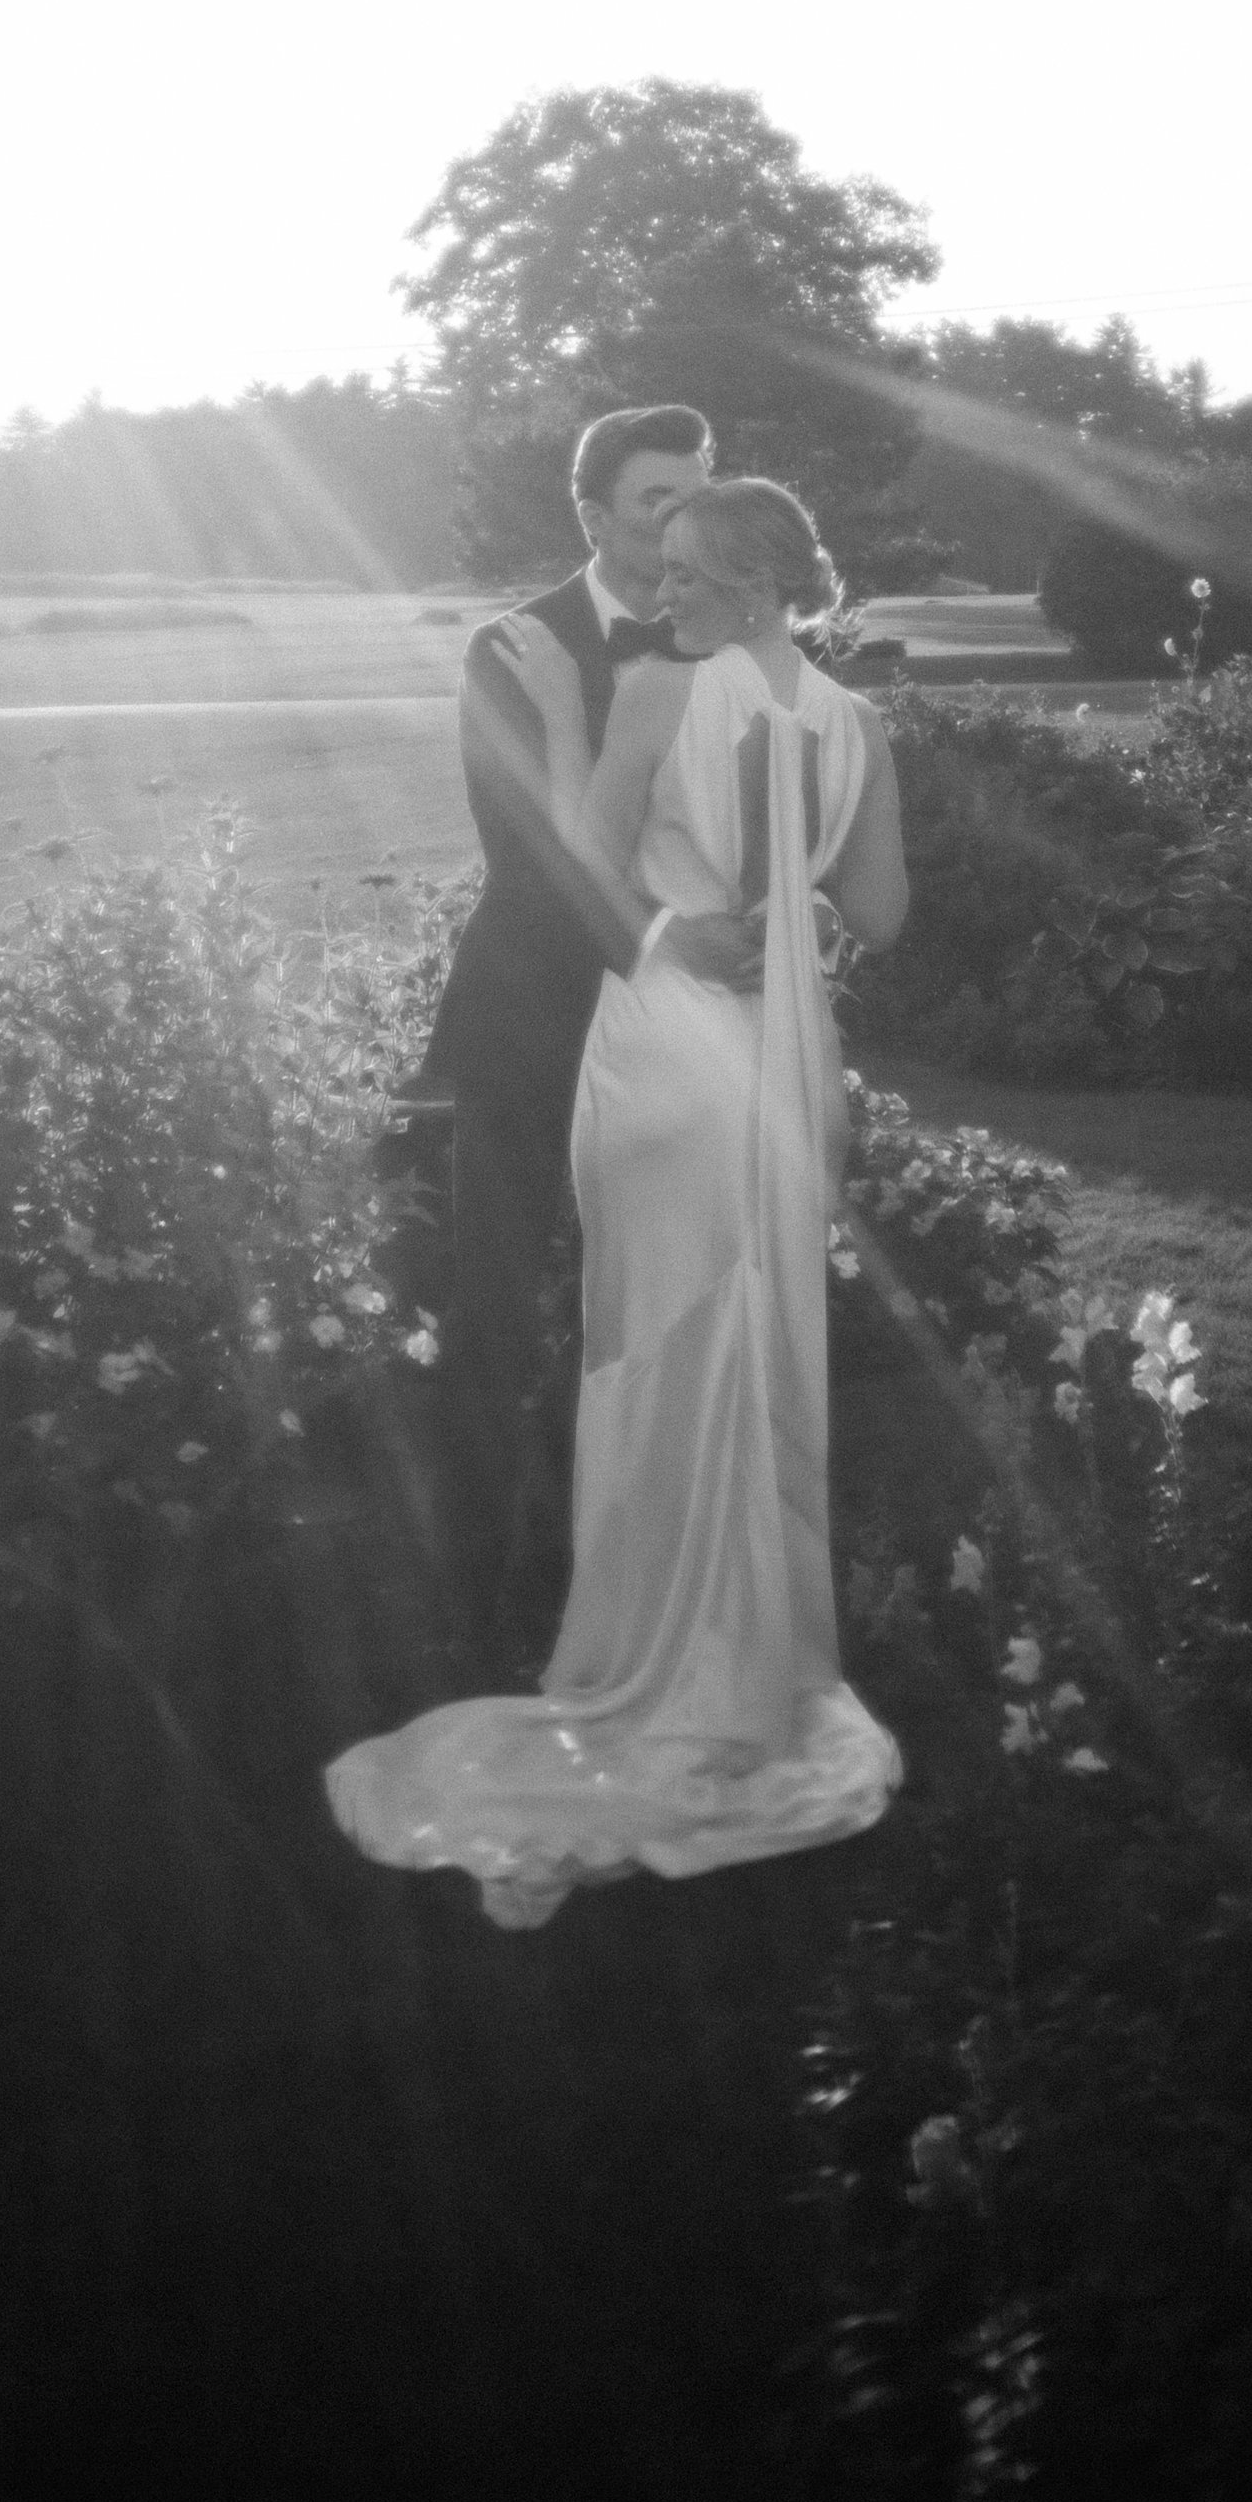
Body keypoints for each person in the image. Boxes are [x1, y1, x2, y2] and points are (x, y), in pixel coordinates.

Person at [326, 474, 911, 1928]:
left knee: (650, 1354)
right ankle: (754, 1668)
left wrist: (583, 727)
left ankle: (656, 1661)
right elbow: (883, 913)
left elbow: (581, 858)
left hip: (663, 1057)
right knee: (756, 1343)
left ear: (763, 582)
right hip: (790, 1063)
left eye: (693, 578)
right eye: (663, 577)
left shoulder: (659, 689)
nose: (665, 601)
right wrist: (791, 903)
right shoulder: (857, 720)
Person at [417, 407, 767, 1673]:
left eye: (696, 495)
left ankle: (632, 1580)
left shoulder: (724, 633)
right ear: (590, 516)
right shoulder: (517, 649)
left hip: (684, 1045)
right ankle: (470, 1601)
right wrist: (672, 938)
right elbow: (530, 858)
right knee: (504, 1304)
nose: (679, 522)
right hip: (539, 1025)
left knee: (662, 1304)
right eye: (652, 501)